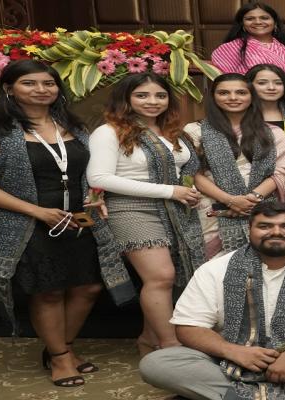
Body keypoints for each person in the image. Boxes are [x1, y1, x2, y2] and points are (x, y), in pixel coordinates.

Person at [0, 60, 122, 387]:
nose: (41, 89)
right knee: (48, 292)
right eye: (29, 83)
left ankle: (60, 347)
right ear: (9, 89)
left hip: (78, 221)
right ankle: (61, 357)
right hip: (26, 224)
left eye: (48, 83)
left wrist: (95, 196)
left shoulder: (75, 128)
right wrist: (37, 211)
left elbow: (90, 172)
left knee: (89, 287)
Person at [139, 203, 285, 400]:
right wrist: (233, 351)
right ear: (249, 229)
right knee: (157, 363)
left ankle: (233, 395)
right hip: (228, 359)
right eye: (265, 226)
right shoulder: (215, 269)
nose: (276, 232)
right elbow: (189, 327)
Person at [87, 73, 204, 355]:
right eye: (142, 95)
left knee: (174, 277)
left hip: (175, 211)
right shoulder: (109, 131)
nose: (153, 101)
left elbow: (184, 172)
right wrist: (171, 191)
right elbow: (99, 178)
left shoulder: (173, 131)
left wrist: (188, 193)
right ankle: (171, 346)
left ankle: (149, 340)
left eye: (160, 96)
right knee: (161, 277)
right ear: (126, 99)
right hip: (131, 208)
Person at [186, 74, 285, 259]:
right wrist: (230, 200)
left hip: (262, 207)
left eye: (241, 92)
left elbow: (282, 172)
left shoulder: (272, 133)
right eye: (224, 93)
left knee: (264, 262)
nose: (233, 98)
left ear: (252, 96)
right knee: (213, 266)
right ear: (213, 96)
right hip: (211, 209)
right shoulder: (194, 130)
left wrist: (251, 199)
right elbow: (193, 173)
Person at [211, 2, 285, 75]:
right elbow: (228, 80)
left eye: (264, 18)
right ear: (242, 24)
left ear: (275, 22)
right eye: (250, 19)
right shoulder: (230, 49)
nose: (258, 22)